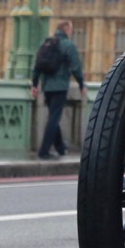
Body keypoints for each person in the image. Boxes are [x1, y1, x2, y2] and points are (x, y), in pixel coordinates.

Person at [30, 19, 85, 160]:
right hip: (60, 86)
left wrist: (35, 84)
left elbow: (37, 66)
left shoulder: (46, 43)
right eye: (70, 29)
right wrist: (81, 84)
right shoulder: (68, 45)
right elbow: (76, 67)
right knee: (53, 118)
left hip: (47, 86)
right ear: (66, 29)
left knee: (53, 116)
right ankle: (44, 151)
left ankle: (60, 147)